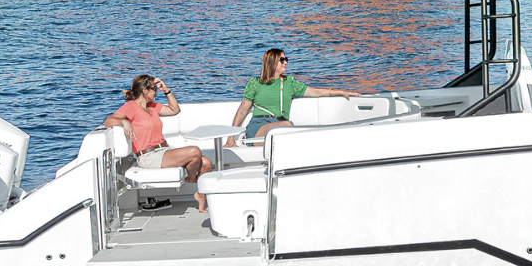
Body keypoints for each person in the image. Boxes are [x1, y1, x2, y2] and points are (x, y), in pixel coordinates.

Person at [104, 74, 212, 211]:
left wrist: (166, 90)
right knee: (194, 151)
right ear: (145, 91)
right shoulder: (131, 107)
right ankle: (191, 180)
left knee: (206, 163)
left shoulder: (153, 107)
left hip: (164, 150)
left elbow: (175, 110)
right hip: (148, 156)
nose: (156, 91)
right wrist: (124, 121)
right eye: (154, 89)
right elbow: (108, 121)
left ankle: (200, 196)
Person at [230, 48, 358, 142]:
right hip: (259, 126)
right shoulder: (255, 83)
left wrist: (340, 92)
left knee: (285, 130)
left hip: (279, 126)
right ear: (272, 62)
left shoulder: (289, 83)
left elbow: (316, 92)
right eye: (282, 60)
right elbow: (242, 111)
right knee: (287, 126)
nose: (285, 62)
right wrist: (230, 139)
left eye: (286, 59)